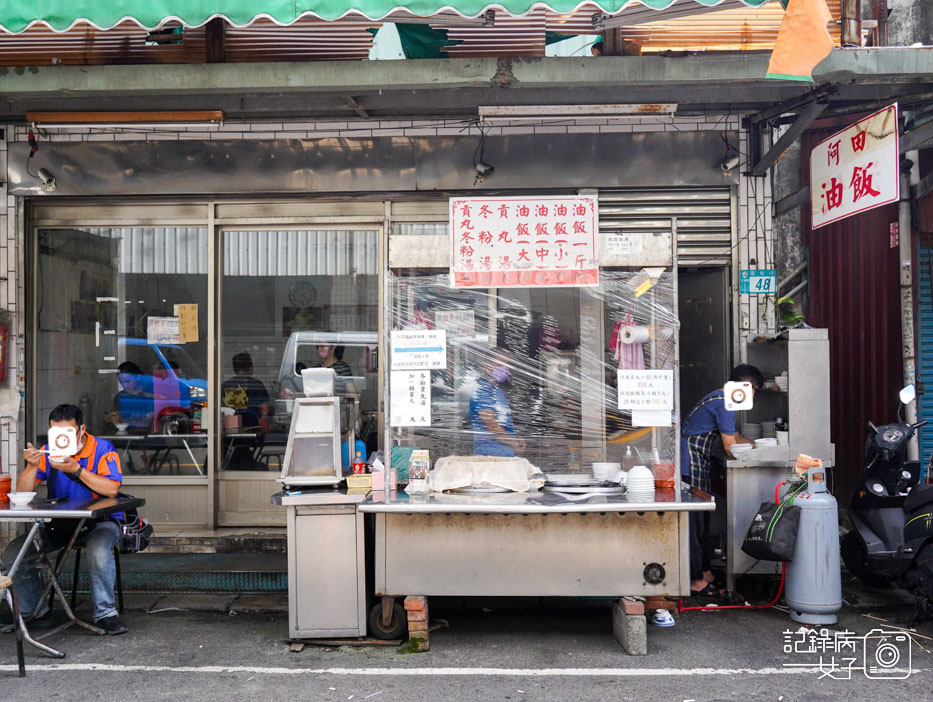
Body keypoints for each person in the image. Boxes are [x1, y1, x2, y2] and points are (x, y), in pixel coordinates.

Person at [0, 404, 128, 635]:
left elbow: (111, 490)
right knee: (14, 553)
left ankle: (106, 614)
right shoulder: (48, 450)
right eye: (55, 432)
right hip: (60, 523)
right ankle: (36, 612)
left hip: (102, 522)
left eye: (67, 433)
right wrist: (31, 466)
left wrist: (77, 469)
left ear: (81, 430)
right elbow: (22, 492)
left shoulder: (102, 448)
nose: (61, 438)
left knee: (99, 550)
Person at [681, 364, 764, 597]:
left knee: (703, 520)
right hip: (690, 463)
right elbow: (730, 447)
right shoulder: (725, 402)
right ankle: (695, 579)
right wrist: (752, 454)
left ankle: (704, 571)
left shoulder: (719, 397)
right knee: (695, 523)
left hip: (696, 462)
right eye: (754, 392)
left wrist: (757, 446)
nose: (753, 397)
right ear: (744, 387)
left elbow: (734, 436)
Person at [469, 351, 525, 457]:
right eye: (500, 365)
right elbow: (492, 426)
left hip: (504, 457)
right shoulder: (482, 390)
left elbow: (502, 425)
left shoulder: (496, 390)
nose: (504, 369)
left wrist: (515, 440)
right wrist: (515, 443)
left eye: (506, 366)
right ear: (486, 366)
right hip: (489, 458)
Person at [221, 351, 270, 429]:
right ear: (250, 368)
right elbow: (264, 407)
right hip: (253, 427)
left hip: (229, 426)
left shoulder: (226, 385)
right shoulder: (256, 384)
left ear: (234, 369)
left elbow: (221, 407)